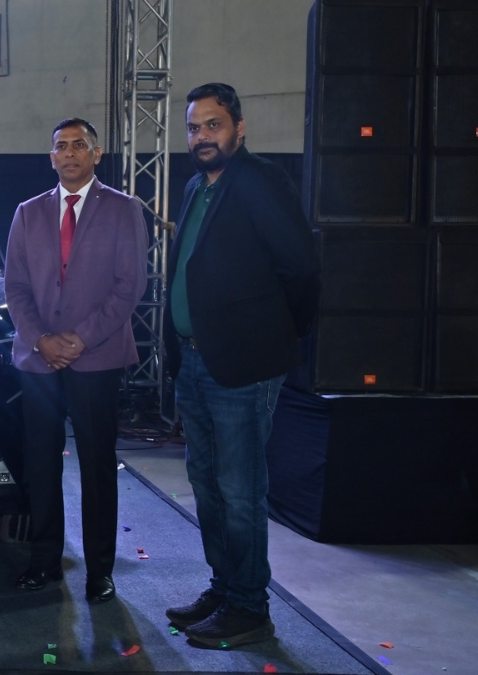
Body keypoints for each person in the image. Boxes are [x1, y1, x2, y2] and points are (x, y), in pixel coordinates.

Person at [163, 83, 320, 648]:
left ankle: (250, 607)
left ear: (239, 128)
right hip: (195, 362)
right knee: (207, 486)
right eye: (194, 127)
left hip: (243, 368)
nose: (202, 136)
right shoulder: (194, 187)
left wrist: (276, 336)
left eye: (214, 125)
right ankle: (225, 588)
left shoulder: (260, 180)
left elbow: (301, 269)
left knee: (240, 491)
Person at [4, 118, 148, 598]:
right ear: (51, 157)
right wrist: (41, 339)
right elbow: (15, 287)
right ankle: (44, 561)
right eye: (61, 146)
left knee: (97, 466)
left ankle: (99, 571)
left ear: (96, 153)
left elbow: (130, 286)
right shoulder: (28, 213)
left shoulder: (124, 209)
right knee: (41, 465)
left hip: (97, 357)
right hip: (38, 360)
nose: (69, 153)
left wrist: (79, 339)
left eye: (79, 145)